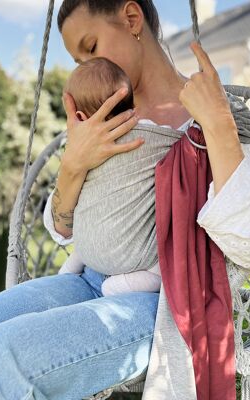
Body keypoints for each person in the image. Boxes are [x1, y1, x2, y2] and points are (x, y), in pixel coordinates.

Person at [0, 1, 250, 399]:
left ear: (132, 20)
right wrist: (72, 167)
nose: (84, 67)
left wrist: (218, 124)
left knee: (1, 358)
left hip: (159, 302)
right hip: (87, 281)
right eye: (76, 59)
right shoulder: (100, 121)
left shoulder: (214, 115)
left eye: (91, 46)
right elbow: (65, 230)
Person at [57, 55, 163, 296]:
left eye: (91, 46)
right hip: (127, 258)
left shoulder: (81, 147)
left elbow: (62, 227)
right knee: (113, 284)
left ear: (80, 117)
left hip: (102, 254)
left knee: (88, 260)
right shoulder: (155, 137)